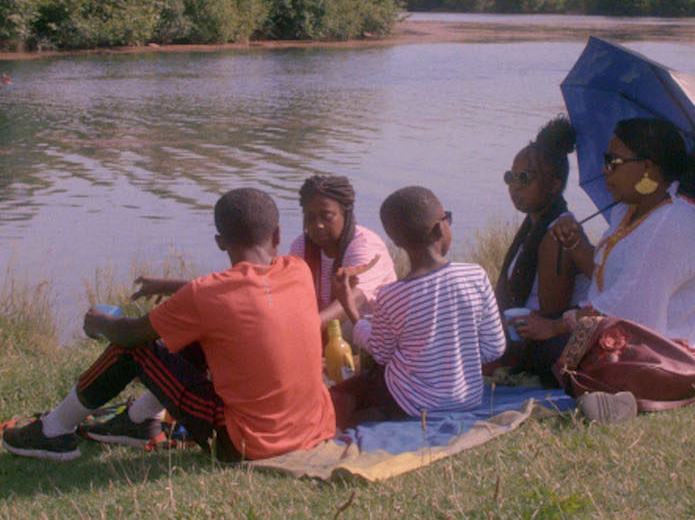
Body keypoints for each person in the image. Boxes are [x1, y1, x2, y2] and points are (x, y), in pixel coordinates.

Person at [2, 188, 336, 462]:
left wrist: (100, 321)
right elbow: (236, 292)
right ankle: (139, 420)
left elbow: (129, 335)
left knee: (133, 349)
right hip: (312, 428)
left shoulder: (207, 295)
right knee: (196, 335)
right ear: (277, 235)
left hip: (246, 442)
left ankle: (52, 430)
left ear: (220, 241)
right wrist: (174, 287)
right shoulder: (298, 271)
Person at [516, 118, 695, 417]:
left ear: (647, 168)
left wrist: (555, 326)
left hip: (682, 354)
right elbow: (607, 277)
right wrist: (575, 244)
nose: (605, 169)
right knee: (534, 342)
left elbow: (627, 308)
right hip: (642, 335)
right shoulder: (630, 211)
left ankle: (618, 397)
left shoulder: (672, 224)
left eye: (614, 161)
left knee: (543, 347)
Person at [329, 186, 506, 427]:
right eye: (447, 219)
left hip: (411, 402)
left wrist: (350, 307)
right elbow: (494, 347)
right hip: (468, 399)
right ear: (440, 228)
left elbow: (381, 354)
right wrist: (455, 358)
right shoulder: (476, 276)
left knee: (343, 395)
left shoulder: (391, 295)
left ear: (396, 241)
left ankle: (364, 418)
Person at [493, 116, 588, 383]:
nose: (515, 185)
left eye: (525, 177)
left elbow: (552, 314)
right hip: (522, 332)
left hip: (544, 343)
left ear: (554, 185)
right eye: (510, 176)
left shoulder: (559, 235)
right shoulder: (533, 226)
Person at [289, 174, 396, 326]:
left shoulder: (365, 246)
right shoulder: (301, 246)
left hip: (370, 327)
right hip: (324, 324)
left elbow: (354, 300)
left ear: (345, 214)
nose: (318, 225)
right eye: (310, 218)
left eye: (327, 217)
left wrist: (305, 328)